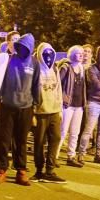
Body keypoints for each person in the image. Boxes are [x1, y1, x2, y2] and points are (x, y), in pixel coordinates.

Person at [0, 32, 38, 186]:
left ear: (30, 48)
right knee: (4, 140)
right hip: (7, 106)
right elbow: (1, 81)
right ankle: (2, 170)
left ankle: (21, 171)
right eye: (20, 46)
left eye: (26, 47)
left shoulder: (34, 63)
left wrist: (35, 108)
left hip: (26, 108)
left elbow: (36, 86)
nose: (22, 50)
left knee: (22, 141)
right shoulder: (10, 60)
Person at [32, 42, 65, 183]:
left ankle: (50, 170)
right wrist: (32, 113)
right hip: (40, 112)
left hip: (54, 111)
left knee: (56, 138)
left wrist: (60, 110)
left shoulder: (55, 69)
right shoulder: (36, 68)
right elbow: (32, 91)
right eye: (45, 55)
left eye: (51, 54)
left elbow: (58, 90)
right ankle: (39, 171)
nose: (49, 58)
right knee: (39, 142)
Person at [57, 45, 87, 166]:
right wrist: (62, 98)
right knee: (63, 131)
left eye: (82, 53)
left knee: (75, 132)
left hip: (79, 105)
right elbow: (58, 84)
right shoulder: (66, 67)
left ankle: (71, 156)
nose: (81, 55)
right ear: (72, 54)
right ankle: (54, 155)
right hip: (67, 105)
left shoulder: (81, 68)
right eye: (78, 53)